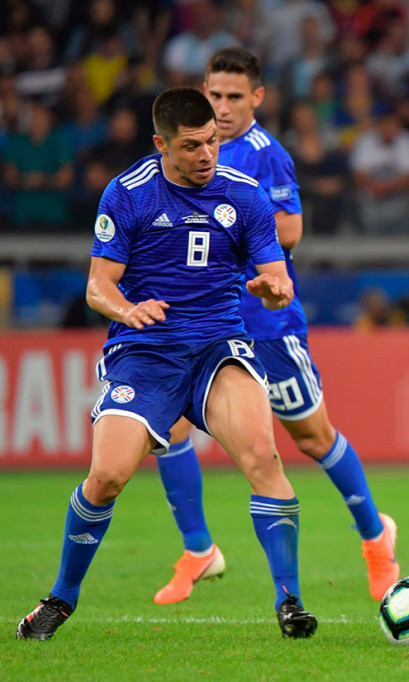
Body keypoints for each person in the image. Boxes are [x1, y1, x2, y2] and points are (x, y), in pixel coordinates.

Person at [17, 86, 318, 640]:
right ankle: (61, 598)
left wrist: (273, 290)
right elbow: (97, 288)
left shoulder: (246, 194)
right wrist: (127, 310)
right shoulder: (127, 193)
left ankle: (290, 602)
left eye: (212, 142)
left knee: (263, 456)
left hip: (218, 347)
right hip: (146, 351)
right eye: (191, 146)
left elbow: (277, 276)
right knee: (106, 478)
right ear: (161, 144)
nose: (206, 155)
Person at [151, 48, 399, 607]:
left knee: (312, 438)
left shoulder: (267, 156)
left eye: (235, 97)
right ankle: (198, 549)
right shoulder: (187, 153)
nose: (223, 106)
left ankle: (377, 540)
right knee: (169, 428)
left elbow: (289, 231)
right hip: (202, 323)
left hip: (266, 323)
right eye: (214, 95)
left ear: (257, 98)